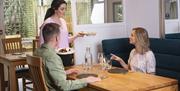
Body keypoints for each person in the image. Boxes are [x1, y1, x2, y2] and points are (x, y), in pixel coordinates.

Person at [34, 23, 101, 91]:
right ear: (57, 38)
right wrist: (86, 80)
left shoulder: (37, 52)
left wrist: (64, 72)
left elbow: (46, 73)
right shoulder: (52, 57)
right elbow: (64, 86)